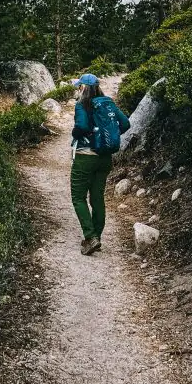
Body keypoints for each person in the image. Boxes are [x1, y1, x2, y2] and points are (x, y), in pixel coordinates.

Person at [70, 73, 130, 255]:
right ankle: (97, 236)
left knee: (78, 197)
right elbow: (126, 124)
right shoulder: (108, 102)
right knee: (97, 198)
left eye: (79, 86)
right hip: (104, 158)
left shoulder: (82, 105)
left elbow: (81, 127)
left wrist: (75, 134)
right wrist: (107, 137)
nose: (78, 89)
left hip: (85, 157)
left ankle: (90, 237)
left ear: (83, 88)